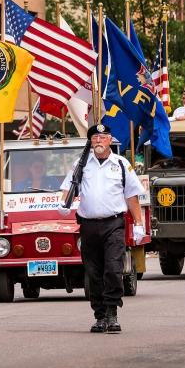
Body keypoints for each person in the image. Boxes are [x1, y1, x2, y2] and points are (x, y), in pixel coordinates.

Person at [60, 123, 145, 334]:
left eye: (102, 137)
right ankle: (99, 316)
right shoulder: (81, 165)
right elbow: (68, 189)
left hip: (113, 224)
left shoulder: (121, 164)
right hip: (88, 226)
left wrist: (139, 224)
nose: (98, 140)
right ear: (91, 142)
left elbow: (131, 196)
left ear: (110, 140)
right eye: (94, 138)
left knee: (114, 270)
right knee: (94, 273)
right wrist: (63, 205)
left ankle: (112, 313)